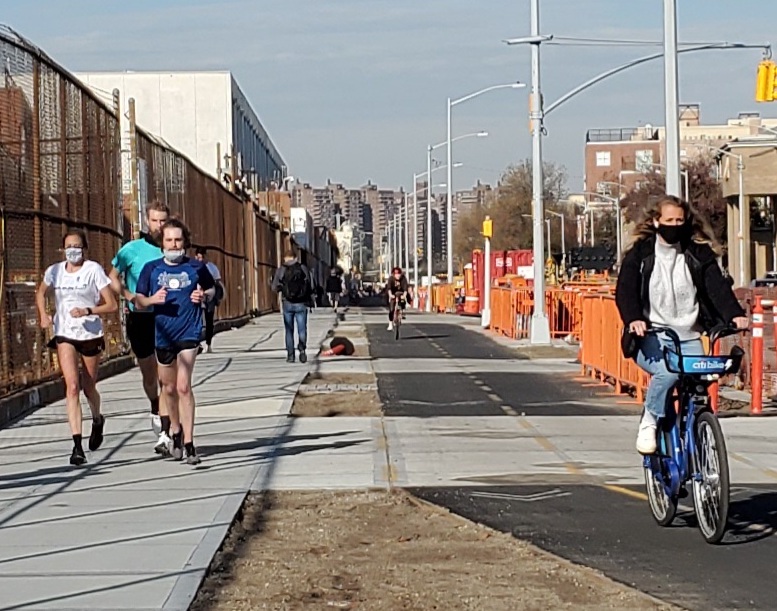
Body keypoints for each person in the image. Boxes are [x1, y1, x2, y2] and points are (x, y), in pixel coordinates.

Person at [615, 195, 748, 455]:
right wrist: (634, 320)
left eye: (679, 220)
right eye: (669, 220)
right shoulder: (640, 255)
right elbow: (626, 291)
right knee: (668, 373)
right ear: (656, 222)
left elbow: (717, 288)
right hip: (651, 336)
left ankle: (698, 433)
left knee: (699, 380)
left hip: (689, 337)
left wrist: (734, 314)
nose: (675, 226)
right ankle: (649, 421)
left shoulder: (697, 253)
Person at [135, 219, 215, 465]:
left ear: (185, 242)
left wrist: (203, 295)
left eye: (178, 240)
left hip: (189, 332)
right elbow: (139, 300)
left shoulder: (196, 267)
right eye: (169, 240)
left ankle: (190, 444)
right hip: (163, 335)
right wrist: (152, 300)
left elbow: (213, 289)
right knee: (168, 389)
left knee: (183, 387)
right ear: (162, 243)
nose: (173, 244)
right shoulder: (151, 269)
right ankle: (176, 431)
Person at [36, 229, 118, 466]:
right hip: (65, 333)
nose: (73, 251)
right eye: (69, 246)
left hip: (90, 333)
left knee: (88, 387)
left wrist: (88, 310)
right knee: (72, 387)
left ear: (84, 249)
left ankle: (97, 418)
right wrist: (43, 315)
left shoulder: (93, 270)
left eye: (77, 246)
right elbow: (40, 293)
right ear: (63, 249)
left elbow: (111, 304)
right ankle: (77, 445)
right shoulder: (55, 271)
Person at [109, 201, 172, 456]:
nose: (159, 225)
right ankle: (155, 405)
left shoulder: (172, 247)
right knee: (149, 375)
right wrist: (128, 295)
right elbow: (112, 276)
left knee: (166, 376)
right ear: (147, 221)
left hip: (167, 317)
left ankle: (166, 430)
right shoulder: (131, 249)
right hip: (140, 317)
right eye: (155, 221)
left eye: (163, 220)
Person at [272, 252, 313, 363]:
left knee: (289, 330)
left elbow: (274, 287)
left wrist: (282, 289)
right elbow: (310, 284)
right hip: (301, 303)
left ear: (285, 258)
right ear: (296, 258)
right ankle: (302, 348)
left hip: (287, 303)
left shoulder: (281, 270)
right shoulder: (303, 268)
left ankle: (290, 356)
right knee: (302, 329)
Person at [194, 247, 224, 353]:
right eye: (198, 257)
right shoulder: (193, 267)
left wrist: (218, 297)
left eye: (202, 257)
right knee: (197, 320)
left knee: (209, 319)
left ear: (206, 256)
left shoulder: (212, 267)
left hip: (210, 296)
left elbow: (217, 282)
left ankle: (208, 343)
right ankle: (197, 343)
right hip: (197, 296)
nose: (201, 259)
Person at [386, 266, 409, 331]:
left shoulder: (403, 278)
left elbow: (405, 289)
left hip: (401, 293)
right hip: (393, 293)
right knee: (391, 309)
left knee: (403, 300)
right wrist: (390, 295)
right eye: (396, 274)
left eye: (399, 274)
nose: (398, 275)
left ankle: (402, 310)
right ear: (393, 274)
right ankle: (390, 323)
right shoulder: (391, 279)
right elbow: (389, 288)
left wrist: (404, 295)